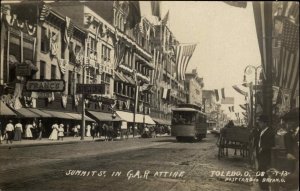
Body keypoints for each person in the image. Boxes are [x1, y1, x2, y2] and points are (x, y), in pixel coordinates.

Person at [257, 114, 275, 190]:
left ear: (265, 123)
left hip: (266, 155)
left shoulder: (270, 132)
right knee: (260, 174)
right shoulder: (262, 131)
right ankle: (263, 188)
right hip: (261, 155)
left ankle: (265, 189)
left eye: (260, 122)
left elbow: (271, 144)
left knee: (263, 174)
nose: (259, 124)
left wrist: (263, 148)